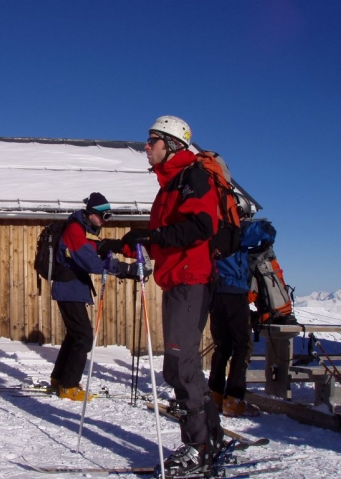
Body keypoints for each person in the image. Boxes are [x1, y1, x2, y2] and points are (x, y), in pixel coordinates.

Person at [101, 116, 225, 477]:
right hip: (178, 280)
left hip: (191, 279)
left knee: (180, 366)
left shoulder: (191, 178)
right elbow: (165, 235)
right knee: (180, 366)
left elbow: (202, 227)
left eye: (152, 140)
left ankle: (198, 446)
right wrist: (124, 241)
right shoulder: (170, 184)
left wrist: (150, 239)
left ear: (171, 144)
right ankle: (209, 438)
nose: (146, 146)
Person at [50, 192, 148, 401]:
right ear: (92, 213)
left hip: (72, 288)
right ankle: (68, 386)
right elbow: (91, 262)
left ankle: (59, 379)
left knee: (75, 335)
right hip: (69, 288)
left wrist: (112, 246)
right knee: (84, 336)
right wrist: (125, 269)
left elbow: (93, 248)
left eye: (108, 217)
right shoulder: (75, 230)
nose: (105, 221)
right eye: (104, 216)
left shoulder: (84, 229)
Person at [208, 194, 276, 417]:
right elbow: (262, 230)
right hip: (235, 293)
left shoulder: (212, 229)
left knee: (222, 346)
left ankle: (215, 395)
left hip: (215, 294)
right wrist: (267, 231)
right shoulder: (235, 230)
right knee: (242, 346)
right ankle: (234, 400)